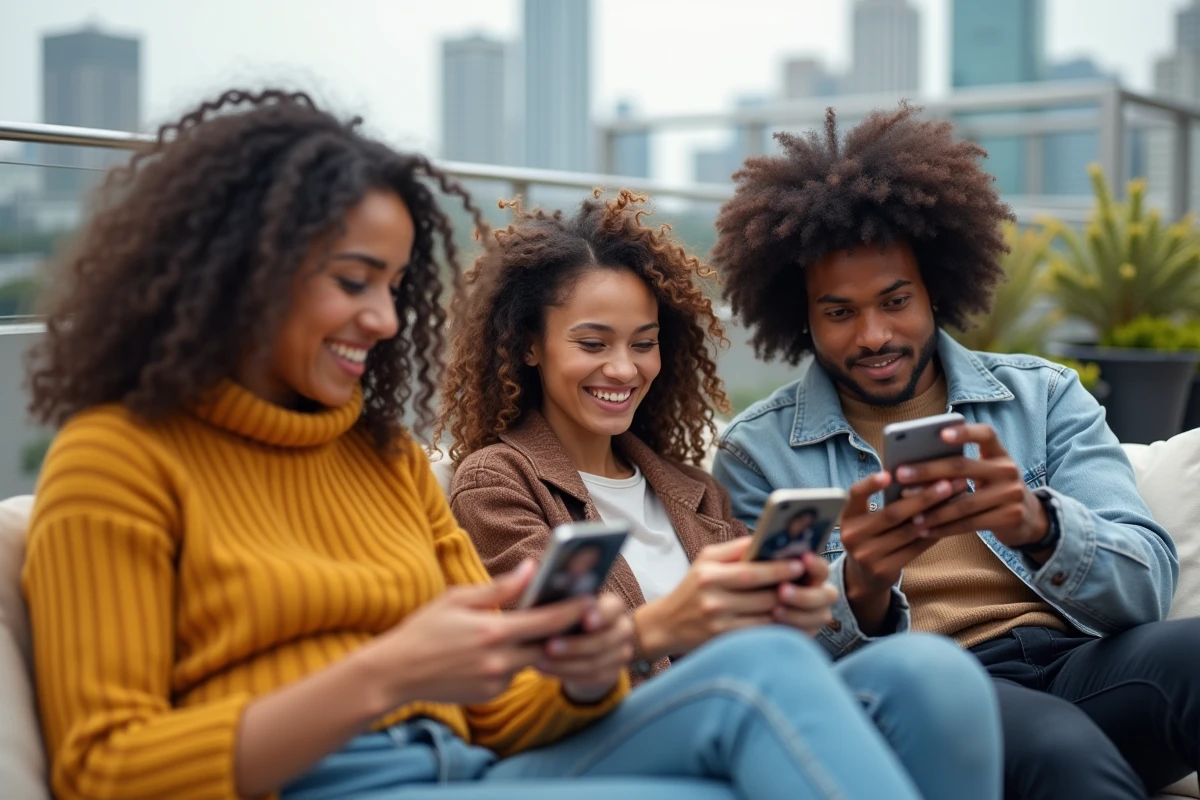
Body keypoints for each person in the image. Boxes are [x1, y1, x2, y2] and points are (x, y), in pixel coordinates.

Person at [20, 88, 976, 800]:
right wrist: (389, 671)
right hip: (337, 783)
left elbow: (501, 709)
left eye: (396, 286)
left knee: (871, 672)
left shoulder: (381, 458)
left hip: (472, 767)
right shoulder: (117, 462)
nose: (387, 319)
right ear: (241, 272)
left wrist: (623, 638)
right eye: (356, 281)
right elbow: (104, 770)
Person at [438, 190, 1002, 800]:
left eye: (643, 343)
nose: (625, 370)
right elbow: (547, 663)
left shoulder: (694, 491)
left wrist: (810, 601)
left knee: (933, 670)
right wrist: (681, 622)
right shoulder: (498, 481)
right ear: (529, 347)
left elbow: (775, 643)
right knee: (764, 672)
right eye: (593, 344)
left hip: (742, 698)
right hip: (609, 730)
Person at [710, 103, 1200, 800]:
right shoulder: (756, 455)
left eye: (895, 300)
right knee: (1061, 751)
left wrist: (1038, 526)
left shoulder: (1044, 396)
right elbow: (773, 654)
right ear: (802, 319)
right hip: (935, 695)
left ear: (935, 290)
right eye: (839, 312)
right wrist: (862, 586)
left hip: (1080, 663)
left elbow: (1148, 585)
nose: (873, 334)